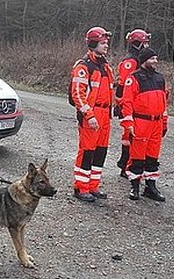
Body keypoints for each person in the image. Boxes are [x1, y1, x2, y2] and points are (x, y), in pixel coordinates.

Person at [70, 27, 114, 202]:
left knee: (100, 152)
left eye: (106, 43)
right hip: (92, 114)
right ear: (93, 43)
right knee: (87, 151)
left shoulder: (104, 66)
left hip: (105, 114)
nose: (106, 46)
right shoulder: (83, 66)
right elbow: (78, 94)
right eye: (103, 43)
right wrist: (90, 115)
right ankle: (81, 188)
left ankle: (93, 186)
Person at [120, 48, 168, 201]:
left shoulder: (160, 78)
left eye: (156, 58)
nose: (155, 61)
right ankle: (134, 186)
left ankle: (151, 186)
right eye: (152, 58)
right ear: (144, 60)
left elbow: (164, 104)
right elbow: (127, 102)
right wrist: (128, 123)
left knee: (153, 156)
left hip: (156, 122)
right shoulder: (134, 78)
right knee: (137, 156)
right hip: (141, 122)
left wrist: (164, 123)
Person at [115, 29, 151, 177]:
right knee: (129, 136)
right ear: (138, 43)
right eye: (145, 42)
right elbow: (123, 84)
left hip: (136, 104)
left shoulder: (139, 60)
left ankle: (127, 164)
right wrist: (121, 105)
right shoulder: (131, 61)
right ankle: (125, 165)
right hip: (129, 105)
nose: (147, 45)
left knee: (133, 137)